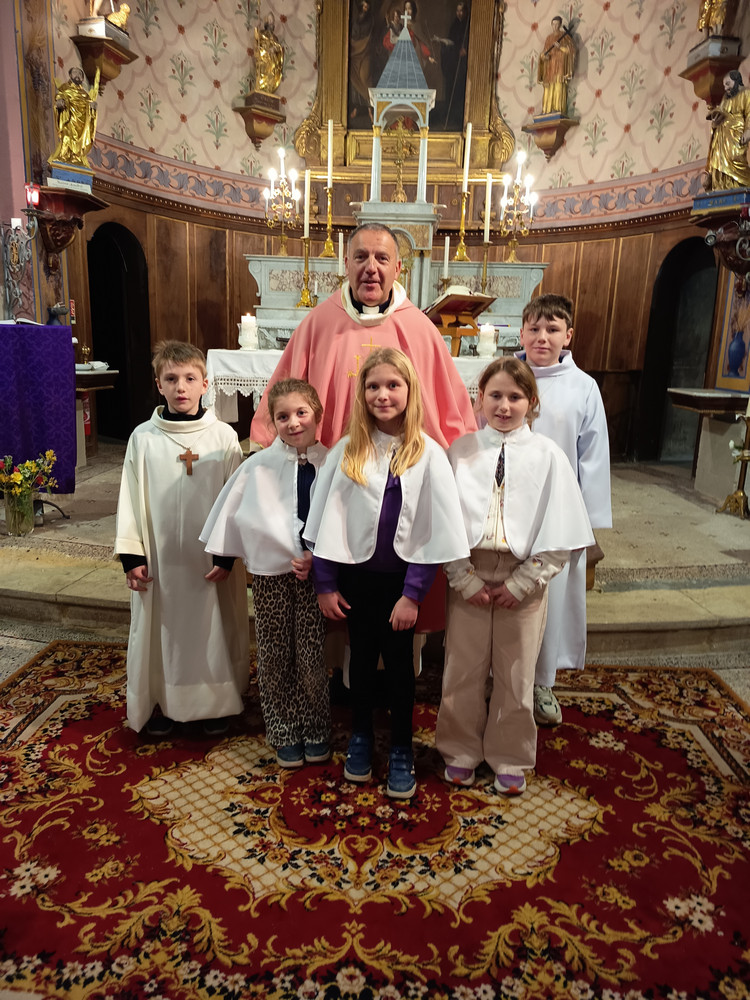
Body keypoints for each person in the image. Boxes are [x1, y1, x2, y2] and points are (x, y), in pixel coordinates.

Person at [304, 348, 469, 799]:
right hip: (356, 582)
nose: (383, 395)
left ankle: (399, 747)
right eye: (373, 386)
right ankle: (360, 735)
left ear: (410, 391)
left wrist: (413, 594)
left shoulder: (428, 453)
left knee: (399, 669)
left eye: (393, 385)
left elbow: (433, 530)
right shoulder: (347, 451)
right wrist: (325, 584)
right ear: (362, 394)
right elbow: (326, 522)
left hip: (402, 586)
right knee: (359, 662)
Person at [436, 357, 593, 794]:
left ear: (531, 402)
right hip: (469, 569)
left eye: (515, 396)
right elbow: (441, 522)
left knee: (517, 671)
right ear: (480, 399)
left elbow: (561, 532)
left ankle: (510, 755)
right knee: (462, 668)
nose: (504, 406)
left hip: (524, 575)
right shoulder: (460, 452)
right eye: (495, 395)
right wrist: (462, 577)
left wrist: (523, 582)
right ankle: (460, 750)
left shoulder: (549, 456)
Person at [114, 340, 249, 737]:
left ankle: (216, 704)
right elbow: (129, 497)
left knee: (213, 628)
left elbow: (236, 501)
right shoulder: (143, 438)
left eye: (190, 378)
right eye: (171, 379)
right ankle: (162, 700)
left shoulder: (223, 437)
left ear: (205, 384)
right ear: (159, 385)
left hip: (209, 561)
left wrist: (226, 555)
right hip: (160, 562)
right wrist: (131, 556)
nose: (181, 387)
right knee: (163, 631)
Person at [249, 223, 476, 450]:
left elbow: (449, 400)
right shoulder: (318, 323)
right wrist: (263, 440)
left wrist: (465, 451)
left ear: (397, 268)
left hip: (403, 462)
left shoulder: (420, 329)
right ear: (347, 265)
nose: (371, 267)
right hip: (331, 460)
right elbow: (284, 391)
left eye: (382, 258)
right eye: (361, 257)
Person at [201, 379, 331, 768]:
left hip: (316, 578)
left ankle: (316, 727)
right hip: (271, 576)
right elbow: (232, 511)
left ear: (317, 414)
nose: (293, 422)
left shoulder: (333, 462)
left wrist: (319, 557)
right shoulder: (258, 466)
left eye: (301, 413)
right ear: (272, 422)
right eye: (283, 416)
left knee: (311, 656)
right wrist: (223, 559)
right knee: (274, 654)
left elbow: (343, 517)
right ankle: (283, 729)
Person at [515, 294, 611, 727]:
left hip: (559, 512)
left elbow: (593, 457)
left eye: (552, 329)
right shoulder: (505, 375)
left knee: (549, 601)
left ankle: (542, 682)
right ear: (521, 333)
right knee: (508, 594)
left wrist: (586, 524)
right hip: (510, 508)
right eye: (534, 329)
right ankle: (503, 680)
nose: (542, 337)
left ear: (568, 336)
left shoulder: (583, 387)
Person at [704, 71, 750, 192]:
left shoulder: (746, 93)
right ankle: (721, 187)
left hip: (736, 132)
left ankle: (739, 185)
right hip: (722, 132)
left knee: (735, 157)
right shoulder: (726, 97)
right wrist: (715, 118)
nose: (726, 88)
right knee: (718, 157)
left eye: (728, 84)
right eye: (724, 85)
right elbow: (722, 110)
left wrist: (748, 130)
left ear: (736, 80)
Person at [49, 66, 99, 168]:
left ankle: (76, 157)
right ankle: (64, 155)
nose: (77, 75)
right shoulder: (64, 88)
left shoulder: (85, 94)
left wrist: (93, 107)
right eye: (75, 72)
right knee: (66, 136)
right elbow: (59, 96)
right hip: (69, 117)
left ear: (82, 79)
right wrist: (60, 102)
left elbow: (89, 105)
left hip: (82, 122)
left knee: (80, 141)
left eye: (80, 74)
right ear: (70, 75)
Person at [433, 1, 470, 131]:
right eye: (457, 11)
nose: (459, 13)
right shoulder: (454, 25)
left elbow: (471, 42)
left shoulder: (468, 25)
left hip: (463, 65)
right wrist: (446, 45)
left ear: (465, 12)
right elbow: (452, 40)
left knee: (460, 89)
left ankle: (459, 118)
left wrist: (466, 50)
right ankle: (451, 117)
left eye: (461, 11)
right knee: (451, 88)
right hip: (453, 62)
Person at [537, 17, 575, 116]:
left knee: (558, 86)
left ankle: (558, 109)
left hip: (559, 67)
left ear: (560, 24)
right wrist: (544, 56)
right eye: (553, 24)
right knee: (548, 88)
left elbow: (570, 51)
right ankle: (547, 110)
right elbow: (544, 52)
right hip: (550, 67)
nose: (555, 26)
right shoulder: (549, 38)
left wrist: (560, 47)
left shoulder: (564, 36)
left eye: (557, 24)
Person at [349, 0, 377, 126]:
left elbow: (373, 36)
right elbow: (352, 35)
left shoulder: (371, 20)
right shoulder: (355, 20)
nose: (365, 8)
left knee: (365, 79)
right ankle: (357, 107)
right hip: (355, 54)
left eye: (367, 6)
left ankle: (370, 109)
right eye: (364, 6)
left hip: (366, 53)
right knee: (354, 79)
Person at [255, 12, 284, 93]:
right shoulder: (262, 33)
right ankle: (262, 87)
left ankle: (269, 88)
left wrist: (275, 48)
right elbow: (257, 39)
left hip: (273, 60)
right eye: (270, 20)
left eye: (272, 21)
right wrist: (256, 27)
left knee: (272, 75)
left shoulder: (275, 38)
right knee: (263, 74)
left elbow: (279, 48)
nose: (271, 22)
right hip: (264, 58)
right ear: (266, 22)